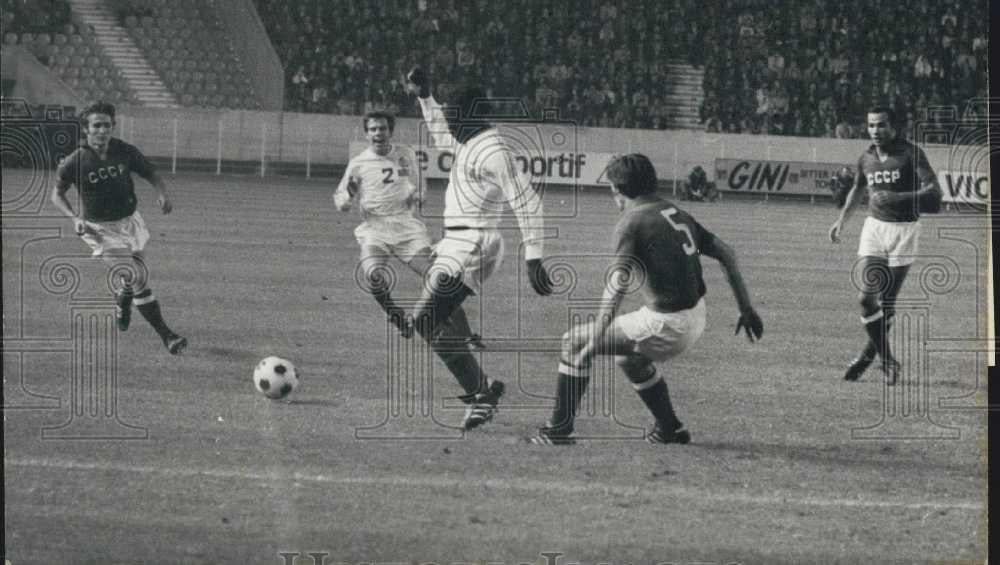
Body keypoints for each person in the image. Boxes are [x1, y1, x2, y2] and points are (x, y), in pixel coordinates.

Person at [531, 154, 763, 445]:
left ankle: (558, 430)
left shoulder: (631, 222)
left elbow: (617, 285)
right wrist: (746, 309)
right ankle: (670, 429)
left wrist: (593, 341)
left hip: (667, 323)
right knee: (630, 358)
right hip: (694, 314)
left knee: (573, 342)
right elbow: (727, 253)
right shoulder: (675, 211)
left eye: (612, 190)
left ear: (619, 190)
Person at [405, 66, 553, 430]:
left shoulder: (494, 152)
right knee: (434, 318)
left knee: (426, 319)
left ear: (470, 115)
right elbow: (440, 132)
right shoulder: (470, 141)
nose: (447, 122)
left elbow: (527, 201)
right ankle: (483, 386)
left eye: (452, 115)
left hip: (473, 243)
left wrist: (534, 256)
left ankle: (481, 394)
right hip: (457, 243)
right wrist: (426, 96)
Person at [50, 101, 187, 354]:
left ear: (113, 126)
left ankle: (122, 301)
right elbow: (57, 195)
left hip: (131, 221)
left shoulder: (125, 151)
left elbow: (151, 173)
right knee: (137, 277)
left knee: (133, 278)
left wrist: (162, 193)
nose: (102, 130)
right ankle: (168, 336)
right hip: (99, 230)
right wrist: (74, 218)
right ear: (86, 129)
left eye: (107, 125)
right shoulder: (74, 162)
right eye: (96, 126)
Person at [333, 110, 479, 345]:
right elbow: (341, 203)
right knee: (373, 276)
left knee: (438, 277)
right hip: (375, 229)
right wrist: (348, 197)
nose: (378, 133)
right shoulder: (358, 164)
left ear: (390, 131)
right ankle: (397, 316)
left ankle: (466, 334)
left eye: (382, 128)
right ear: (366, 134)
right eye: (373, 129)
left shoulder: (405, 154)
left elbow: (419, 185)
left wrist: (419, 195)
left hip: (407, 228)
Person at [829, 106, 942, 384]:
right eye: (871, 125)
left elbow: (934, 193)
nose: (875, 131)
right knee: (866, 299)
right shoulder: (866, 158)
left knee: (886, 303)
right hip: (875, 228)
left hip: (904, 231)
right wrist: (841, 221)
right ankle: (888, 360)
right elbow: (858, 188)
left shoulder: (911, 153)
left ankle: (869, 357)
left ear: (894, 127)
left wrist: (897, 198)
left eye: (881, 125)